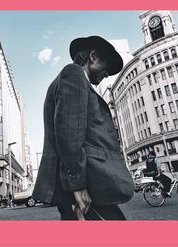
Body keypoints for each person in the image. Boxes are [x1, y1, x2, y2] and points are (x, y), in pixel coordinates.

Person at [32, 36, 135, 220]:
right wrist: (77, 186)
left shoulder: (73, 79)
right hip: (82, 184)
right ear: (93, 56)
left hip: (82, 183)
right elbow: (69, 135)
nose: (107, 74)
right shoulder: (74, 73)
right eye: (107, 66)